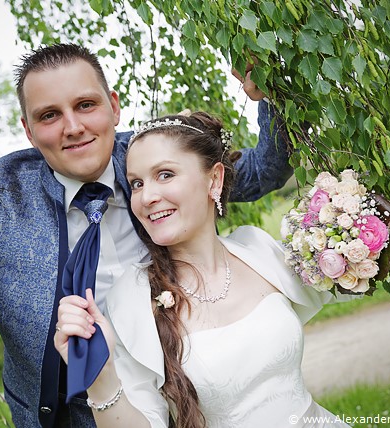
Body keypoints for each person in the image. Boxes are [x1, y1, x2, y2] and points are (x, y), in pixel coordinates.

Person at [0, 43, 293, 428]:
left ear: (113, 106)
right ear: (29, 131)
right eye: (49, 115)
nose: (73, 127)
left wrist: (271, 95)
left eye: (85, 105)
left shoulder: (152, 158)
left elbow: (264, 168)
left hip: (192, 409)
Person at [54, 112, 351, 427]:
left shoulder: (257, 248)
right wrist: (100, 380)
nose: (147, 197)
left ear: (215, 179)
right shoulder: (132, 299)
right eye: (137, 183)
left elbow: (344, 281)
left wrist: (356, 229)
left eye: (165, 174)